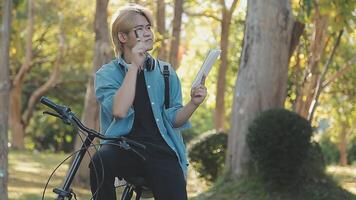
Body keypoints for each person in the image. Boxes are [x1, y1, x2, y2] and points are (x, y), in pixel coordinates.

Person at [89, 4, 207, 200]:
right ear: (123, 37)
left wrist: (193, 103)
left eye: (148, 28)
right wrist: (134, 66)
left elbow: (174, 120)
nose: (147, 33)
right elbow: (119, 110)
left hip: (161, 150)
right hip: (124, 147)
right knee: (100, 161)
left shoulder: (166, 73)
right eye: (139, 29)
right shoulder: (107, 74)